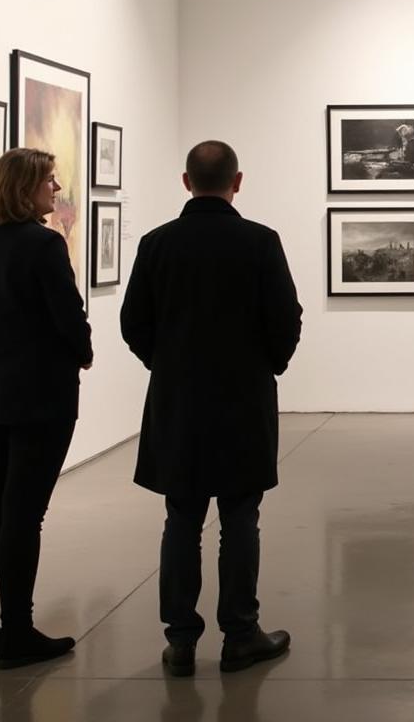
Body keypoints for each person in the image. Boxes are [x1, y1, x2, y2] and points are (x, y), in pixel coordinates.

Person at [120, 141, 302, 677]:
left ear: (185, 181)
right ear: (237, 181)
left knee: (182, 517)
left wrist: (168, 363)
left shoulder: (157, 244)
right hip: (243, 400)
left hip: (179, 400)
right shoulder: (260, 242)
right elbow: (284, 319)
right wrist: (267, 365)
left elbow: (133, 322)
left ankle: (180, 640)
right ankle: (241, 633)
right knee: (240, 518)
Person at [0, 149, 92, 669]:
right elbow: (67, 313)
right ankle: (18, 631)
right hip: (40, 392)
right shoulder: (43, 244)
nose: (56, 187)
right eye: (48, 180)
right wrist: (82, 352)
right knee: (23, 512)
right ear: (25, 187)